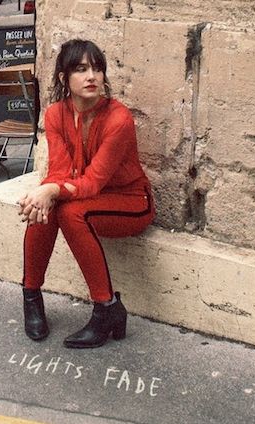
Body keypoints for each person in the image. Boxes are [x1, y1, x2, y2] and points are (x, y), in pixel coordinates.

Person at [17, 39, 155, 348]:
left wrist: (51, 190)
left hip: (131, 202)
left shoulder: (119, 119)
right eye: (81, 69)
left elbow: (92, 182)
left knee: (66, 209)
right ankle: (31, 296)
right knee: (47, 205)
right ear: (64, 78)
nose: (91, 76)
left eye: (97, 69)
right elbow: (59, 170)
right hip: (89, 198)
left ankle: (106, 309)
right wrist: (45, 193)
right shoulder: (55, 114)